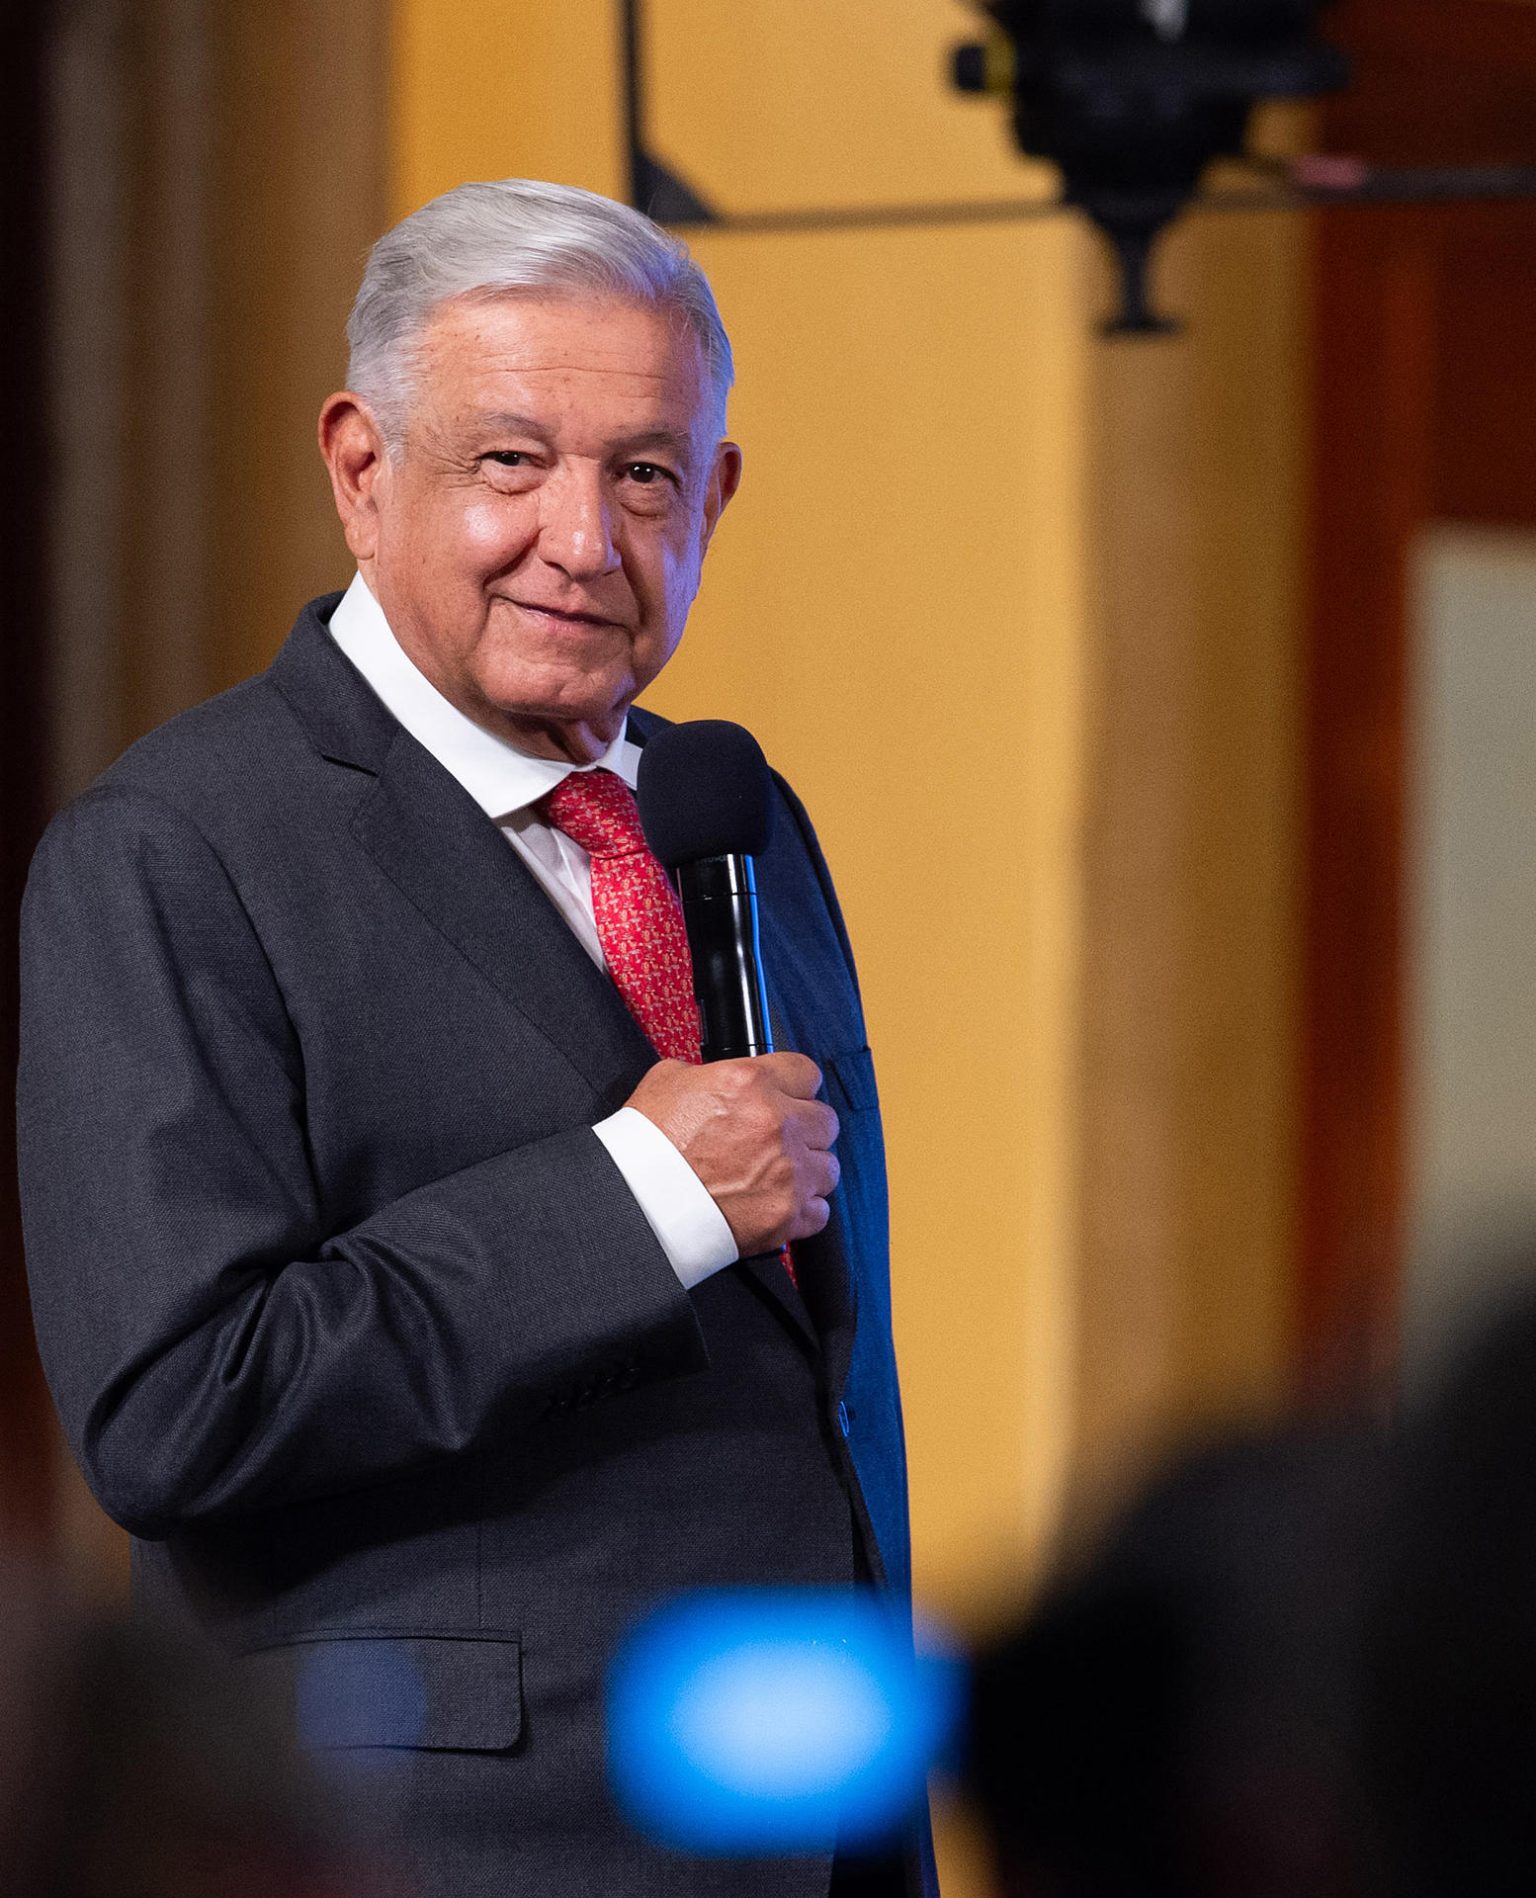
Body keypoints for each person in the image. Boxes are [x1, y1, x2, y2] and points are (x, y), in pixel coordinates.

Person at [19, 178, 929, 1898]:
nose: (585, 540)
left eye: (646, 472)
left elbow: (812, 1400)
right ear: (363, 471)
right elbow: (173, 1410)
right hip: (426, 1850)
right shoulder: (176, 847)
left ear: (716, 496)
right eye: (511, 462)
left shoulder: (741, 815)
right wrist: (639, 1193)